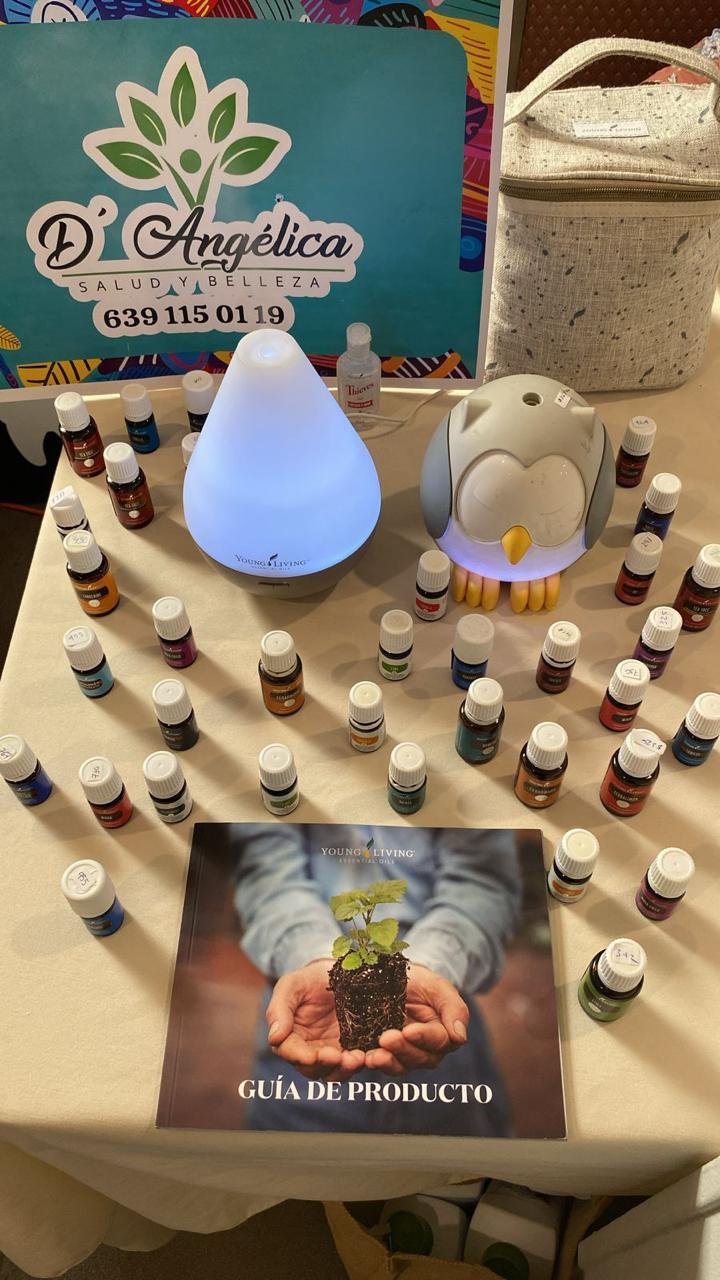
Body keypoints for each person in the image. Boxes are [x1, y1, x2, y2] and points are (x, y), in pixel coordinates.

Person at [234, 823, 521, 1135]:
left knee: (459, 1158)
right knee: (288, 1161)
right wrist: (311, 956)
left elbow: (483, 880)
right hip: (309, 1024)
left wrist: (434, 962)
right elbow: (267, 873)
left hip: (431, 1013)